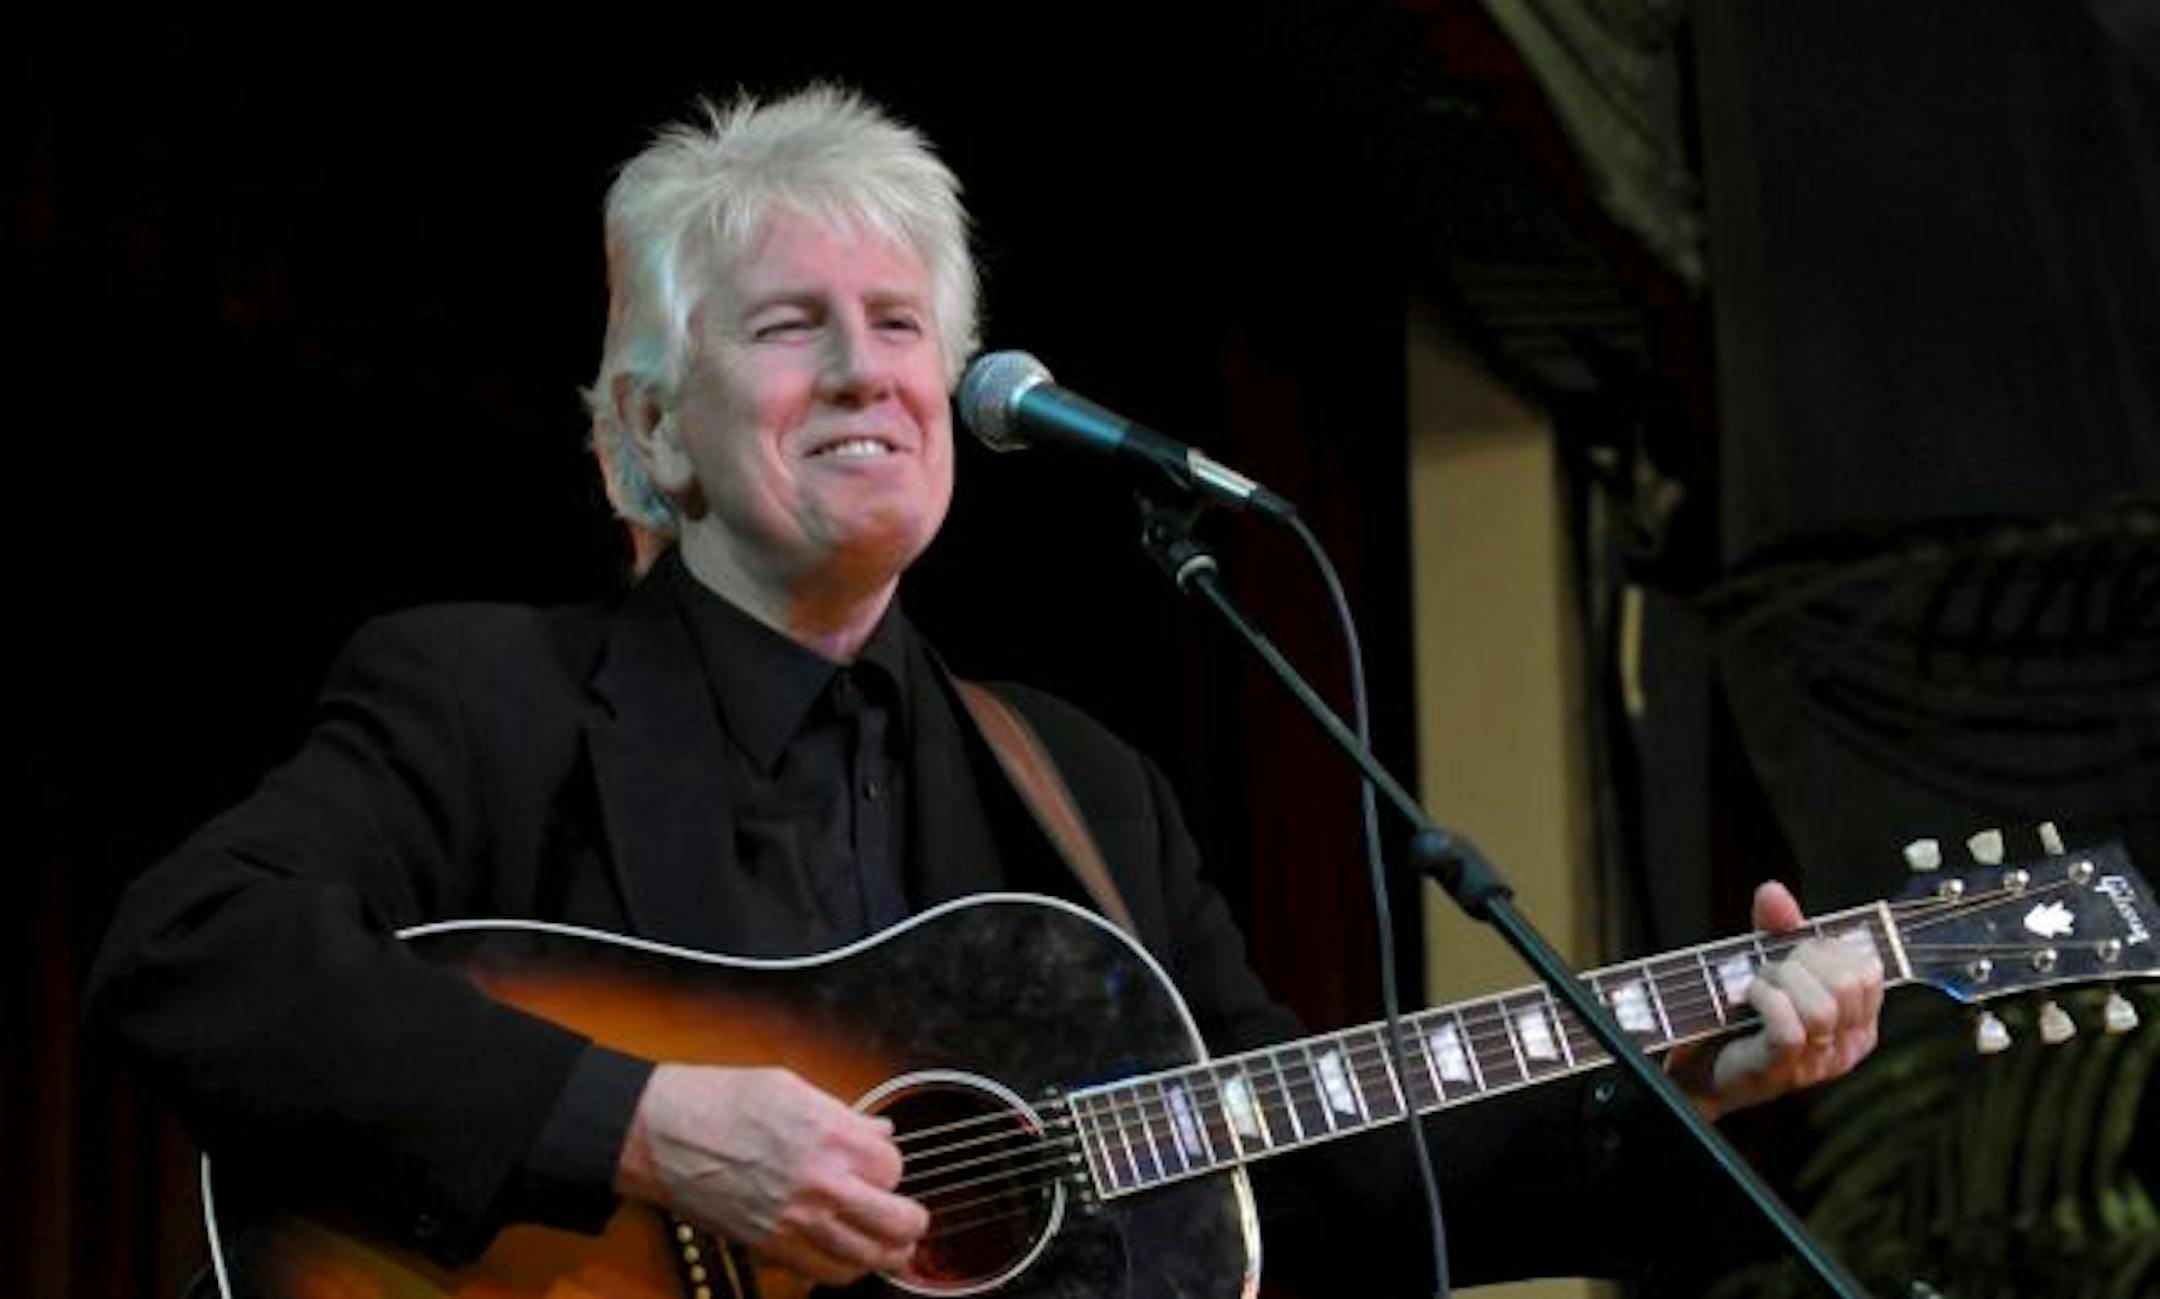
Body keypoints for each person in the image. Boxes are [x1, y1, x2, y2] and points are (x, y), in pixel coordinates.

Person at [89, 85, 1883, 1296]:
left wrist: (1687, 1083)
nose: (869, 373)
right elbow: (192, 958)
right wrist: (645, 1127)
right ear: (650, 428)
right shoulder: (485, 696)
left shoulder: (1083, 787)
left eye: (902, 329)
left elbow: (1317, 1181)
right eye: (790, 327)